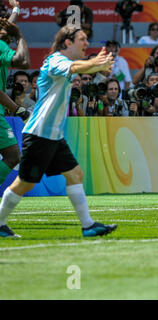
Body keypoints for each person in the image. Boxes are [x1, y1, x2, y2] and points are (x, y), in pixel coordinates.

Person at [0, 26, 117, 238]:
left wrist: (95, 66)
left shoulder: (67, 62)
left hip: (53, 135)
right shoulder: (55, 61)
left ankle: (88, 225)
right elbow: (73, 68)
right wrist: (94, 64)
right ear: (67, 43)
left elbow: (77, 67)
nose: (86, 43)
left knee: (75, 174)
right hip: (39, 134)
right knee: (25, 183)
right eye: (82, 39)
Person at [0, 18, 30, 190]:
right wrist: (18, 35)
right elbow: (23, 62)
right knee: (12, 156)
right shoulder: (1, 46)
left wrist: (16, 10)